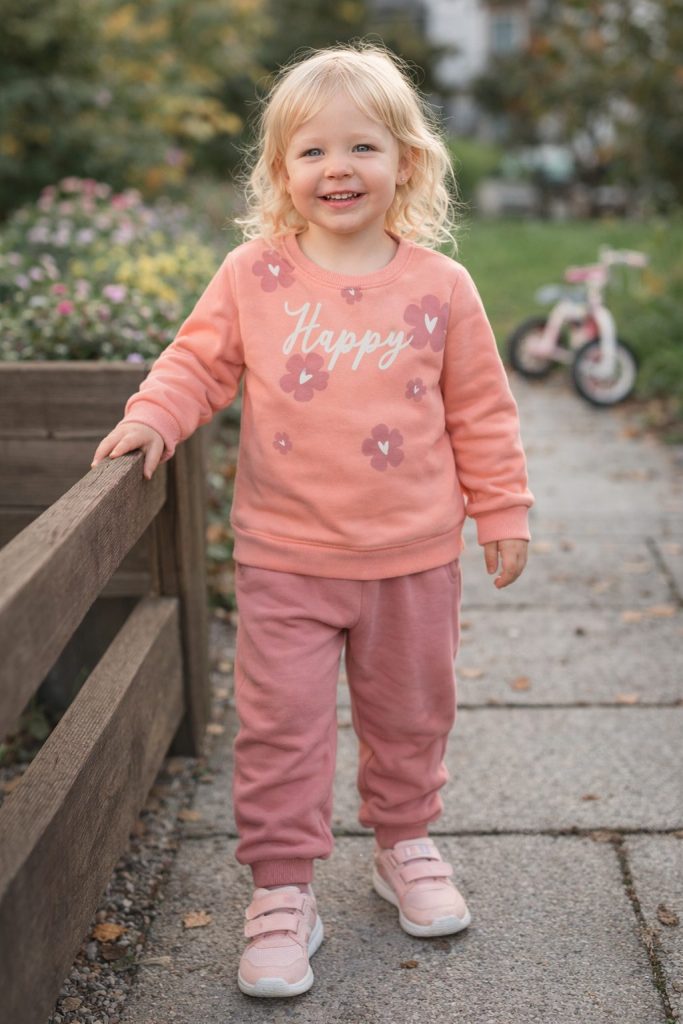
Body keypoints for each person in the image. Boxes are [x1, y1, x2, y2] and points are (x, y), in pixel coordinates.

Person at [91, 41, 534, 999]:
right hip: (285, 557)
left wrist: (501, 509)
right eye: (313, 150)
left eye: (362, 147)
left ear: (405, 162)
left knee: (410, 715)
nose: (339, 168)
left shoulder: (440, 288)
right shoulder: (254, 276)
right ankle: (283, 889)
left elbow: (482, 412)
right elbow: (196, 363)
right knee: (281, 728)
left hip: (412, 560)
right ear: (281, 170)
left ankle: (403, 844)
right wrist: (152, 418)